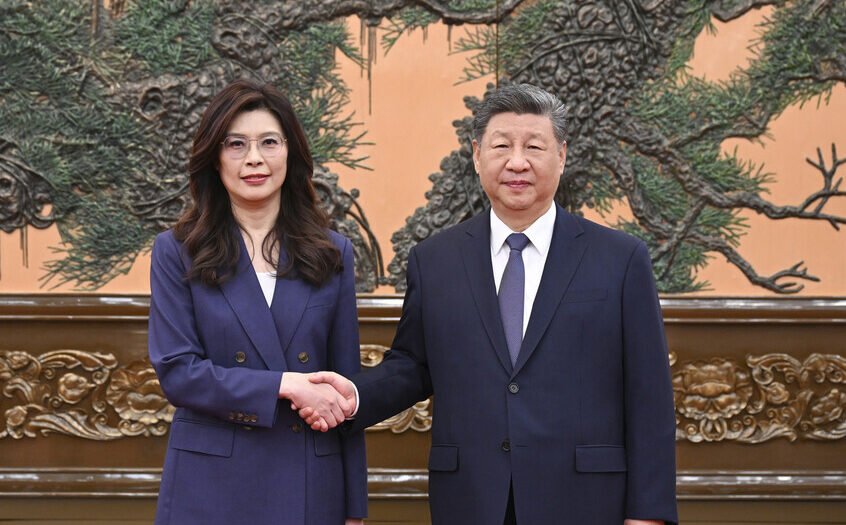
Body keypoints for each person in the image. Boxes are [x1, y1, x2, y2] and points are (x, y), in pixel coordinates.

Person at [303, 83, 678, 524]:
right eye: (502, 146)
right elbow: (413, 365)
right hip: (472, 497)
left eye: (534, 146)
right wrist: (353, 396)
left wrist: (648, 515)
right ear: (478, 156)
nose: (517, 162)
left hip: (585, 500)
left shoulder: (620, 259)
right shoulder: (435, 260)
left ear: (561, 156)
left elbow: (649, 397)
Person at [147, 79, 367, 525]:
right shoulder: (177, 251)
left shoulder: (332, 252)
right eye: (236, 144)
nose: (254, 158)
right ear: (214, 158)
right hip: (210, 486)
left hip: (310, 481)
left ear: (291, 153)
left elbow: (345, 385)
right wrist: (285, 384)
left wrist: (353, 505)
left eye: (269, 142)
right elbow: (178, 373)